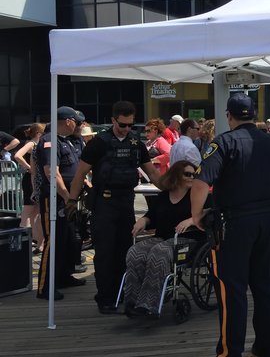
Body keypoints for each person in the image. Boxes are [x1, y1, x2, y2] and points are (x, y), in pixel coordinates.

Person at [191, 93, 270, 357]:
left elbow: (201, 183)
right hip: (266, 222)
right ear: (254, 115)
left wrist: (195, 216)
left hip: (234, 224)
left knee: (231, 290)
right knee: (264, 286)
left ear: (229, 116)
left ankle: (230, 350)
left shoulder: (223, 143)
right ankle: (267, 346)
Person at [67, 101, 161, 314]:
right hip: (104, 204)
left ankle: (121, 294)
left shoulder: (136, 144)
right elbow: (80, 173)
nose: (127, 129)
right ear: (113, 120)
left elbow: (153, 173)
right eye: (122, 125)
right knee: (105, 253)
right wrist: (72, 200)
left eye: (130, 125)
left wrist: (170, 188)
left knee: (124, 252)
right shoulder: (99, 143)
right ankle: (105, 298)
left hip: (125, 203)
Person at [124, 160, 207, 317]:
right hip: (163, 237)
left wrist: (192, 219)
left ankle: (148, 304)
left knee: (159, 252)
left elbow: (208, 213)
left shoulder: (198, 195)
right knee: (135, 252)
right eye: (188, 174)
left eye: (194, 174)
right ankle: (132, 301)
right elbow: (152, 216)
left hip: (188, 240)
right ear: (176, 175)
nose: (192, 177)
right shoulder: (163, 197)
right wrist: (144, 220)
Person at [36, 107, 86, 301]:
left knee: (66, 239)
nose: (78, 125)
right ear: (67, 121)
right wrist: (67, 196)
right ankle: (44, 287)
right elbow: (52, 173)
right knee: (53, 241)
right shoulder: (50, 140)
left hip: (68, 199)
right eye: (76, 121)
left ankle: (63, 276)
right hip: (55, 199)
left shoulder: (67, 141)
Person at [14, 123, 45, 252]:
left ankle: (39, 243)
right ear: (38, 133)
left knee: (35, 214)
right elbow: (17, 155)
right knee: (27, 212)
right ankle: (20, 243)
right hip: (30, 181)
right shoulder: (32, 144)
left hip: (36, 181)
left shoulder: (36, 144)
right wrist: (29, 168)